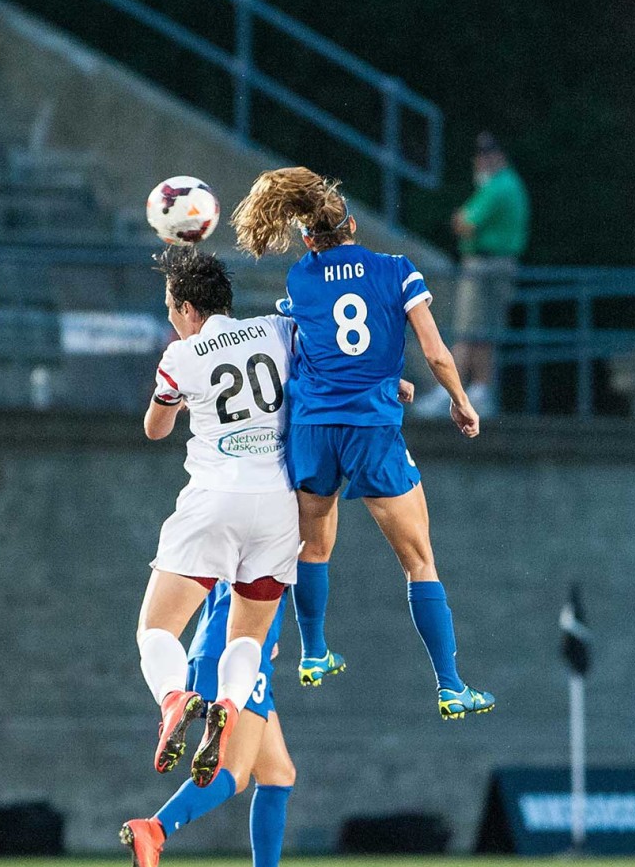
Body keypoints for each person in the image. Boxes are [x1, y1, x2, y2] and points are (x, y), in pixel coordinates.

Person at [231, 166, 494, 719]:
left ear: (307, 240)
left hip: (312, 431)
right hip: (371, 429)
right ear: (352, 224)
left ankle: (314, 652)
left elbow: (317, 346)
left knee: (313, 548)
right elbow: (437, 351)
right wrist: (459, 400)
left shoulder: (300, 280)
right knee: (419, 560)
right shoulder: (396, 270)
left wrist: (380, 378)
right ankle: (449, 685)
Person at [126, 245, 298, 803]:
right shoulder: (276, 330)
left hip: (215, 502)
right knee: (247, 637)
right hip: (278, 507)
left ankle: (175, 699)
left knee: (155, 629)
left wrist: (174, 372)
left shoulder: (181, 356)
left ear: (184, 308)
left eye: (170, 307)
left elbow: (154, 429)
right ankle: (227, 704)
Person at [120, 583, 324, 867]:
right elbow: (309, 569)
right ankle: (154, 829)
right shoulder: (284, 532)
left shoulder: (238, 531)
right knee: (234, 772)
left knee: (277, 773)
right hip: (238, 655)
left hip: (221, 646)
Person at [419, 132, 530, 418]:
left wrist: (461, 218)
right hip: (501, 265)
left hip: (484, 266)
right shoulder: (511, 183)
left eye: (487, 155)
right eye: (481, 156)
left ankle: (450, 393)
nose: (482, 161)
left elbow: (464, 223)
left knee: (468, 331)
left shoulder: (498, 186)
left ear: (499, 157)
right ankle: (481, 391)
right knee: (485, 332)